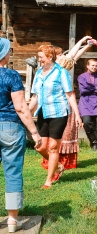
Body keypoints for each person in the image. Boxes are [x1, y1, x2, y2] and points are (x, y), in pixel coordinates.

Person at [0, 37, 42, 232]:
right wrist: (34, 132)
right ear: (4, 54)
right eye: (8, 51)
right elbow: (20, 107)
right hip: (10, 128)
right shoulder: (11, 76)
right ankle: (11, 221)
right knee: (13, 172)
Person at [28, 44, 83, 189]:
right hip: (43, 112)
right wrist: (26, 112)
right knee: (40, 147)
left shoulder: (61, 72)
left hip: (59, 113)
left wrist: (77, 115)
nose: (39, 60)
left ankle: (48, 180)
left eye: (41, 57)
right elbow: (35, 96)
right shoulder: (39, 73)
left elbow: (69, 95)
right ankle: (58, 166)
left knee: (53, 147)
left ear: (50, 56)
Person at [41, 36, 92, 172]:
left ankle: (64, 163)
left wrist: (86, 46)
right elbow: (71, 56)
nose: (63, 55)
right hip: (60, 104)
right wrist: (82, 41)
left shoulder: (61, 66)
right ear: (54, 56)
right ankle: (56, 163)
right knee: (61, 133)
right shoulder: (55, 66)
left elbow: (73, 58)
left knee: (68, 132)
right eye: (60, 54)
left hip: (67, 102)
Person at [78, 59, 97, 151]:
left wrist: (90, 88)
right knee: (86, 122)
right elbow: (83, 91)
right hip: (85, 103)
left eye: (96, 66)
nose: (94, 67)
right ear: (87, 66)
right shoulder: (81, 77)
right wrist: (96, 88)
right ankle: (93, 142)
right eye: (92, 65)